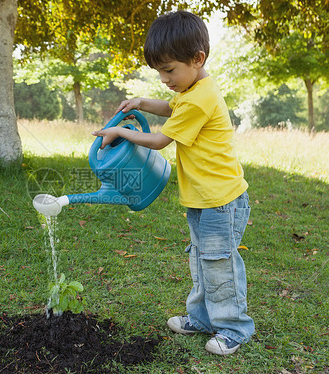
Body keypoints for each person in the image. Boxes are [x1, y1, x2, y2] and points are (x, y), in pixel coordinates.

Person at [92, 10, 255, 355]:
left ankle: (234, 328)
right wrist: (140, 102)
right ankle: (201, 318)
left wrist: (122, 131)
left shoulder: (200, 97)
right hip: (203, 197)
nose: (165, 79)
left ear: (198, 59)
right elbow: (169, 107)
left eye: (169, 70)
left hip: (220, 200)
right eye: (160, 72)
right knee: (201, 259)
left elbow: (161, 140)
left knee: (218, 263)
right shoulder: (193, 88)